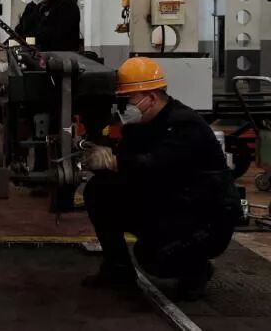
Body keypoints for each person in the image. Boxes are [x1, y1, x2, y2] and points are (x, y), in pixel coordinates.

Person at [82, 57, 241, 300]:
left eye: (128, 99)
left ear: (151, 97)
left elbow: (156, 164)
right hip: (173, 199)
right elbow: (130, 165)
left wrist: (114, 161)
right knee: (99, 191)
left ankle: (196, 269)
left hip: (206, 216)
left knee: (154, 257)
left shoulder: (184, 124)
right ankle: (118, 269)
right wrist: (100, 152)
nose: (124, 107)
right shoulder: (140, 125)